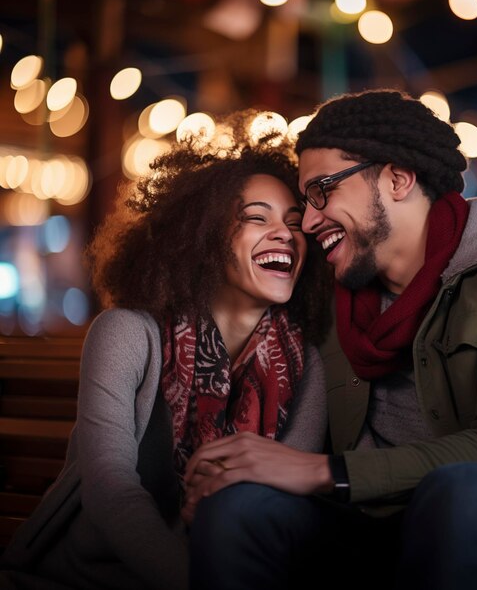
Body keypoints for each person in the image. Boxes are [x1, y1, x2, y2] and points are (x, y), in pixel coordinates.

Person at [184, 89, 477, 590]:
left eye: (323, 189)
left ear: (397, 178)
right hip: (378, 525)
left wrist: (324, 471)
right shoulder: (332, 294)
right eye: (306, 199)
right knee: (237, 510)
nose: (308, 221)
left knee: (460, 495)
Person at [0, 111, 332, 590]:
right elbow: (110, 490)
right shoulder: (126, 334)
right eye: (256, 218)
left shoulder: (306, 365)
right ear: (202, 237)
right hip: (86, 577)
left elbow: (281, 505)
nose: (285, 233)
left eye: (295, 223)